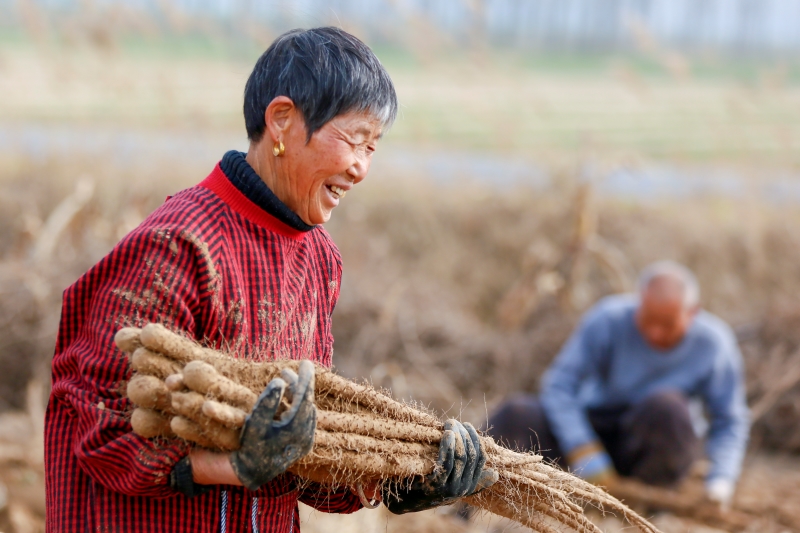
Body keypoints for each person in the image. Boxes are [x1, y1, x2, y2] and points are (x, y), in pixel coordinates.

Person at [45, 27, 495, 533]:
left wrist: (404, 478)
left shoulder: (319, 259)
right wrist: (236, 464)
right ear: (281, 121)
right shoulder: (177, 246)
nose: (361, 168)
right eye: (354, 140)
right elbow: (102, 429)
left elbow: (304, 449)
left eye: (374, 147)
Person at [488, 261, 749, 509]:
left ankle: (647, 507)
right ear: (638, 303)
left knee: (667, 407)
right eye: (648, 320)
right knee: (516, 413)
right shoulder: (608, 319)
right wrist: (583, 449)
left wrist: (721, 480)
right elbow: (559, 385)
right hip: (596, 428)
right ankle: (466, 505)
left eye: (667, 325)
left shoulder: (714, 343)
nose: (655, 333)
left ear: (693, 313)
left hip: (652, 441)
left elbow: (729, 419)